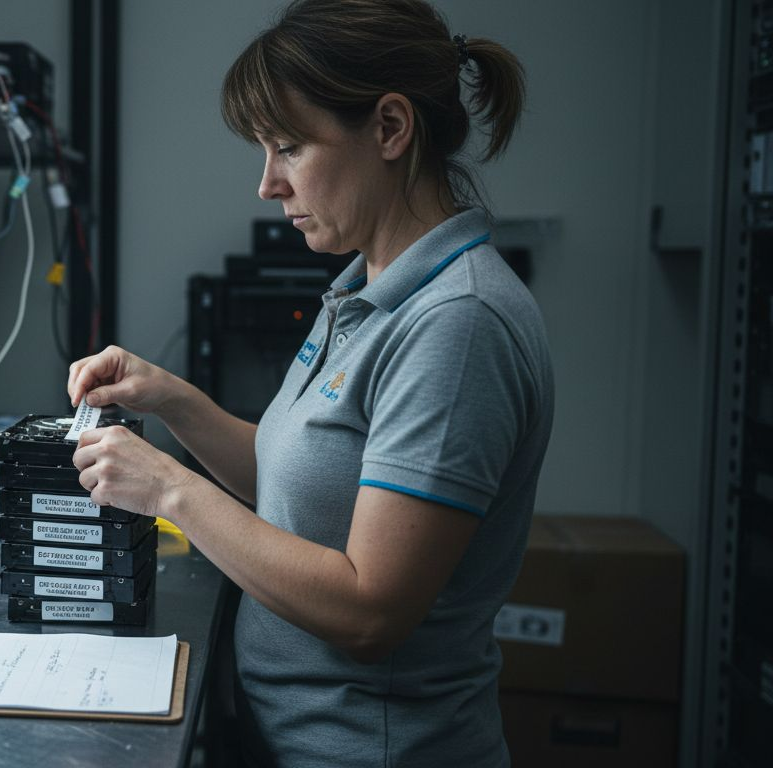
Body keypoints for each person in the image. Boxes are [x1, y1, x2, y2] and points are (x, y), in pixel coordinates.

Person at [67, 1, 553, 765]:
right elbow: (298, 483)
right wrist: (168, 396)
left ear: (390, 129)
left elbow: (370, 611)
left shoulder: (458, 324)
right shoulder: (367, 287)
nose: (267, 185)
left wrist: (169, 490)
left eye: (289, 148)